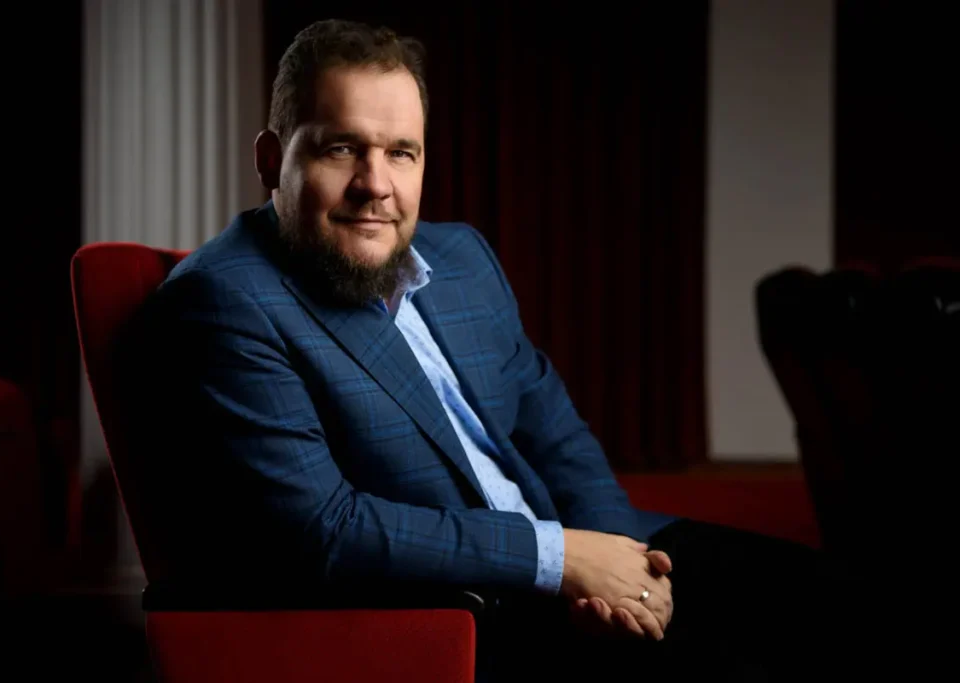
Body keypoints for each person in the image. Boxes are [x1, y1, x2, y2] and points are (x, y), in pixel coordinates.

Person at [128, 18, 851, 681]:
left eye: (401, 153)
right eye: (341, 148)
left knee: (837, 599)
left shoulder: (462, 258)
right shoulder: (226, 300)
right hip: (469, 608)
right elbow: (326, 529)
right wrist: (561, 560)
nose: (375, 184)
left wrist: (627, 573)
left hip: (585, 560)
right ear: (271, 158)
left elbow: (556, 434)